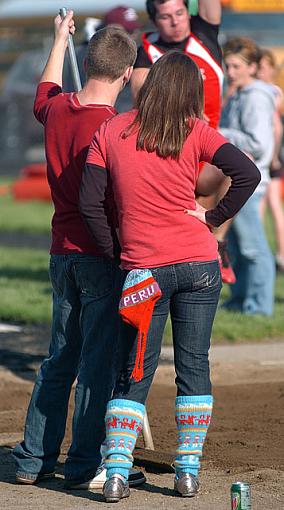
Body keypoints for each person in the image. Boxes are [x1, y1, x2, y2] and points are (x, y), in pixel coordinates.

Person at [79, 51, 260, 502]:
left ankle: (118, 471)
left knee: (133, 370)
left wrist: (118, 252)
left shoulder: (111, 130)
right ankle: (188, 471)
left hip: (145, 270)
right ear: (191, 93)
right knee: (193, 365)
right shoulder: (194, 130)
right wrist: (212, 217)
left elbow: (90, 204)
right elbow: (248, 172)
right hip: (200, 265)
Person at [12, 11, 145, 490]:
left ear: (86, 62)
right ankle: (83, 462)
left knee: (58, 359)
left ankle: (33, 460)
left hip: (61, 251)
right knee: (94, 365)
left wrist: (57, 38)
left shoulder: (59, 109)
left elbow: (43, 90)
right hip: (101, 254)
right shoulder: (117, 128)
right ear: (127, 74)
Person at [131, 0, 236, 284]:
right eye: (166, 17)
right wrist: (183, 114)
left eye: (180, 13)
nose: (176, 22)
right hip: (169, 155)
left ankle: (219, 242)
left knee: (240, 164)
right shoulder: (145, 53)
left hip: (206, 155)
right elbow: (141, 101)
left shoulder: (204, 34)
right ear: (155, 20)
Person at [220, 37, 276, 315]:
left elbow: (259, 144)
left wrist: (220, 135)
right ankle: (240, 300)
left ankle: (259, 306)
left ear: (252, 67)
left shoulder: (255, 97)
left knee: (254, 248)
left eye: (236, 66)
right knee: (238, 248)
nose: (230, 72)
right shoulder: (239, 94)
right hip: (237, 182)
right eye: (227, 66)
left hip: (251, 185)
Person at [63, 6, 142, 113]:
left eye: (134, 30)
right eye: (126, 31)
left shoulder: (137, 55)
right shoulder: (88, 54)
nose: (132, 36)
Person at [257, 48, 284, 273]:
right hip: (269, 156)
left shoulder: (272, 92)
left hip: (269, 157)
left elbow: (276, 126)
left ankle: (276, 255)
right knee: (265, 206)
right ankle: (269, 254)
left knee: (272, 206)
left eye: (266, 68)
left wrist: (274, 156)